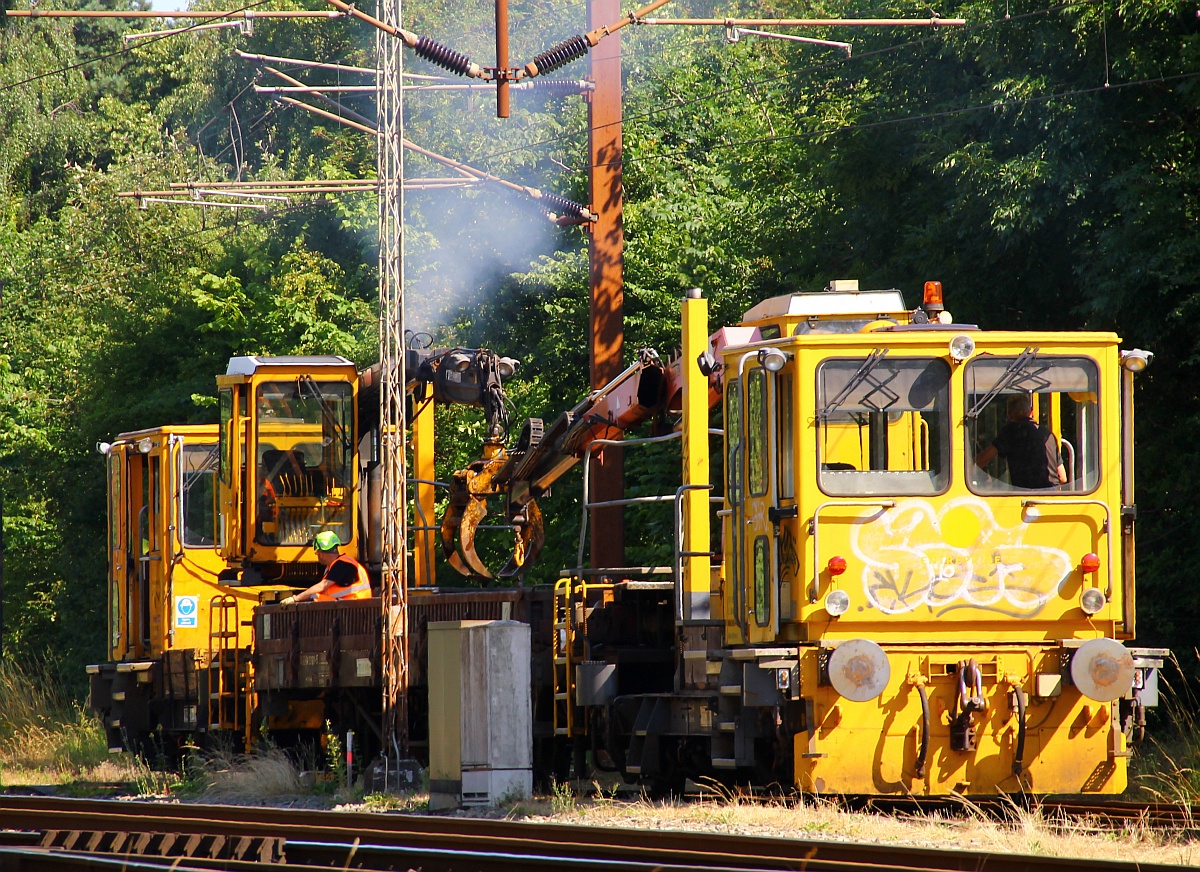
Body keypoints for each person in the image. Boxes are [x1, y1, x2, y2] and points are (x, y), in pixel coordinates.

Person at [974, 393, 1068, 489]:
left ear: (1009, 414)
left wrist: (967, 470)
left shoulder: (1011, 431)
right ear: (1031, 412)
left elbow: (983, 459)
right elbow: (1063, 478)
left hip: (1025, 496)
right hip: (1053, 497)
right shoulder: (1048, 435)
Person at [279, 531, 372, 604]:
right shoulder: (339, 564)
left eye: (317, 553)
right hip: (352, 605)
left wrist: (296, 598)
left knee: (315, 597)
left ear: (321, 554)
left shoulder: (342, 564)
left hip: (353, 606)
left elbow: (322, 586)